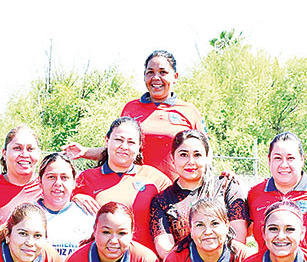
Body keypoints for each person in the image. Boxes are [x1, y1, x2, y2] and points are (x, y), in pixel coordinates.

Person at [64, 49, 205, 180]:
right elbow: (118, 150)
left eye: (163, 72)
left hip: (177, 192)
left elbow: (205, 154)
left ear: (175, 77)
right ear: (144, 76)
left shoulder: (189, 110)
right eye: (150, 72)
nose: (156, 78)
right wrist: (84, 152)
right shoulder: (131, 108)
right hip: (137, 191)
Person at [73, 117, 171, 250]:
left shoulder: (156, 179)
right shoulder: (86, 178)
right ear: (107, 141)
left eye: (131, 142)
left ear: (139, 147)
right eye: (118, 140)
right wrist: (74, 197)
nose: (124, 146)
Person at [150, 129, 248, 260]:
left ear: (207, 158)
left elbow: (238, 238)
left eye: (197, 155)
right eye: (183, 155)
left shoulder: (226, 187)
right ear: (173, 159)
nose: (191, 162)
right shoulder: (161, 200)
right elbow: (164, 248)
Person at [247, 132, 307, 258]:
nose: (283, 165)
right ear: (269, 160)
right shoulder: (255, 194)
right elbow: (245, 232)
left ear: (302, 160)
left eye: (290, 158)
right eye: (277, 158)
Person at [0, 124, 44, 213]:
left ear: (39, 154)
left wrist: (73, 157)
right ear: (4, 153)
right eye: (17, 148)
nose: (24, 154)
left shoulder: (49, 187)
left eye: (30, 149)